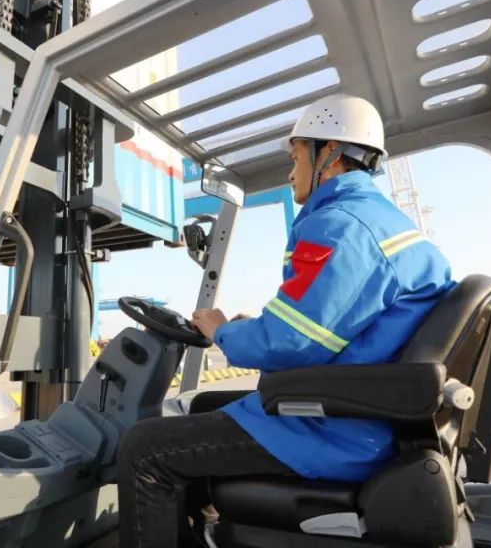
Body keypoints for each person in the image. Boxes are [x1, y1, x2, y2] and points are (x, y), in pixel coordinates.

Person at [116, 94, 455, 548]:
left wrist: (221, 330)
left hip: (338, 429)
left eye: (296, 157)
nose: (291, 172)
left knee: (141, 448)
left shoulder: (341, 225)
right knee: (200, 407)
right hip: (368, 417)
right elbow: (326, 325)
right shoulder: (382, 222)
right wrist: (251, 328)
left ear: (329, 152)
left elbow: (291, 341)